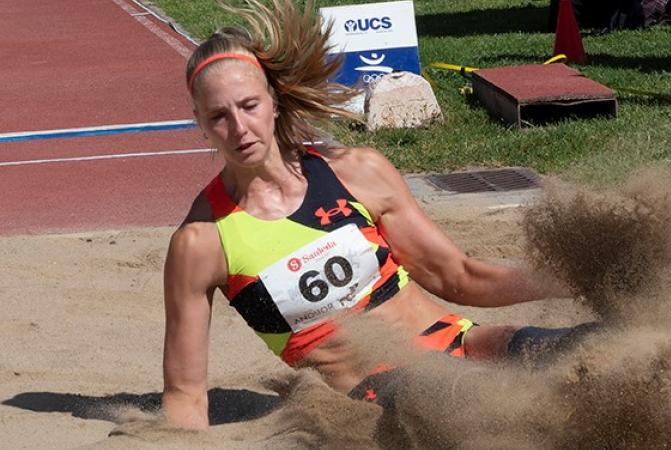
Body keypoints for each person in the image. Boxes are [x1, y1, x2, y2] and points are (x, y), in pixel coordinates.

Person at [162, 0, 591, 430]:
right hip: (381, 397)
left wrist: (576, 277)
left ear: (273, 102)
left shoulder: (356, 172)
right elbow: (185, 394)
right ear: (200, 122)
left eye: (249, 106)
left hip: (461, 343)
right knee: (493, 405)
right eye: (219, 116)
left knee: (591, 352)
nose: (239, 128)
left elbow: (457, 276)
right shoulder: (202, 242)